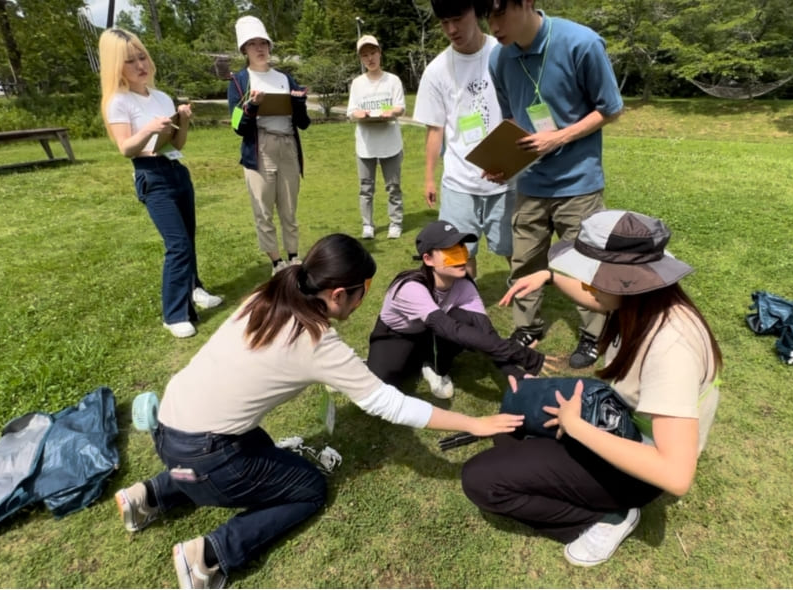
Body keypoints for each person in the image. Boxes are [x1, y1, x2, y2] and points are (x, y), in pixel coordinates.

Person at [113, 233, 524, 589]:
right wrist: (475, 422)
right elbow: (389, 403)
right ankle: (208, 556)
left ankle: (147, 494)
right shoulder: (317, 341)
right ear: (339, 294)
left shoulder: (270, 293)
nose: (365, 301)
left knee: (260, 447)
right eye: (365, 290)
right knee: (308, 488)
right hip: (207, 452)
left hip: (170, 426)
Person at [460, 210, 722, 567]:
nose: (585, 283)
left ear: (618, 280)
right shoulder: (643, 299)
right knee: (512, 415)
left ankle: (609, 516)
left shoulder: (670, 348)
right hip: (615, 417)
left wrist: (577, 427)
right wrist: (548, 276)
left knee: (481, 480)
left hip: (638, 469)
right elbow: (596, 297)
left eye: (590, 274)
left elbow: (675, 474)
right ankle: (562, 463)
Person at [484, 0, 625, 368]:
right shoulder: (499, 58)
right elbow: (512, 116)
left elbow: (610, 108)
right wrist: (503, 161)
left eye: (499, 12)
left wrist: (558, 138)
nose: (493, 25)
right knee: (524, 260)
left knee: (586, 261)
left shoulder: (582, 43)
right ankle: (527, 327)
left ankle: (595, 333)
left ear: (526, 3)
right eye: (487, 16)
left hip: (578, 181)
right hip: (530, 182)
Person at [98, 28, 222, 339]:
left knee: (188, 239)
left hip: (176, 169)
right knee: (177, 245)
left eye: (142, 57)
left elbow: (178, 141)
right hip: (151, 175)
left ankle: (194, 288)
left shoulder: (161, 96)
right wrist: (150, 129)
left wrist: (183, 120)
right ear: (116, 67)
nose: (140, 65)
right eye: (130, 61)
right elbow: (126, 148)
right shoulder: (118, 102)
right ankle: (173, 313)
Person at [367, 220, 545, 399]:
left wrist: (511, 370)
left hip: (431, 332)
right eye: (450, 252)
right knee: (382, 384)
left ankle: (434, 367)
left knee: (465, 320)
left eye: (461, 249)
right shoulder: (410, 287)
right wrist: (522, 354)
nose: (461, 257)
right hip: (397, 335)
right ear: (427, 259)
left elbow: (484, 329)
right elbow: (448, 328)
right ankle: (405, 360)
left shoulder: (464, 284)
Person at [414, 0, 513, 280]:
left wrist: (511, 163)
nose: (452, 29)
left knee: (515, 250)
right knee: (460, 253)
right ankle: (468, 309)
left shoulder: (504, 53)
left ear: (476, 13)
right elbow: (435, 129)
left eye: (458, 18)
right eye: (444, 22)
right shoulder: (436, 70)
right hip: (459, 182)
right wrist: (430, 178)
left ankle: (527, 315)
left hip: (506, 181)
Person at [227, 16, 311, 275]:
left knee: (289, 207)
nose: (259, 48)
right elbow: (237, 126)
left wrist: (298, 102)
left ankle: (294, 257)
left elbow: (304, 123)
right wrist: (251, 106)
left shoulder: (285, 79)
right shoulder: (240, 81)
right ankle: (277, 262)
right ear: (244, 50)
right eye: (252, 44)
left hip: (287, 144)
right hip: (259, 146)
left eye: (263, 43)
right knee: (263, 209)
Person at [345, 35, 407, 240]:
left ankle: (395, 222)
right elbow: (351, 111)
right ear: (361, 59)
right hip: (366, 144)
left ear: (380, 53)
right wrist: (358, 114)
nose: (370, 58)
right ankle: (367, 224)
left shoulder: (393, 80)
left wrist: (388, 112)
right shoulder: (357, 83)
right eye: (365, 55)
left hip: (390, 142)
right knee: (365, 187)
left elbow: (400, 107)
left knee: (393, 186)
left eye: (372, 53)